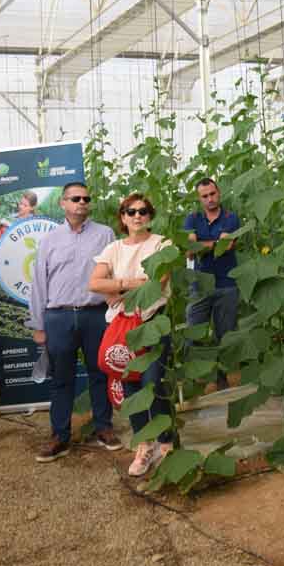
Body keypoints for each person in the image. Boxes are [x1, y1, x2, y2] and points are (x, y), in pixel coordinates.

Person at [28, 182, 119, 462]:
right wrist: (38, 325)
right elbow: (39, 284)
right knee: (61, 378)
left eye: (86, 198)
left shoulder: (105, 235)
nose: (81, 202)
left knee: (100, 372)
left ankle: (104, 428)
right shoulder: (49, 240)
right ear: (63, 204)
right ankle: (60, 436)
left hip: (95, 314)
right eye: (75, 198)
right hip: (59, 316)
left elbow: (114, 274)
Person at [89, 194, 174, 477]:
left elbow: (155, 284)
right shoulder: (113, 249)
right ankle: (144, 444)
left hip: (152, 322)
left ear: (150, 216)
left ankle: (166, 441)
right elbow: (94, 283)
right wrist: (127, 283)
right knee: (130, 387)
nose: (137, 216)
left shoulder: (162, 244)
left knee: (153, 382)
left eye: (143, 211)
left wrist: (116, 291)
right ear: (123, 218)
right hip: (123, 326)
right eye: (131, 211)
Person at [183, 178, 240, 390]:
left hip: (226, 283)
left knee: (225, 335)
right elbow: (189, 249)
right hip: (199, 285)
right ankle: (195, 380)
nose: (210, 199)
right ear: (199, 199)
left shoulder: (230, 217)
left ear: (219, 193)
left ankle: (221, 378)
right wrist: (214, 244)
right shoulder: (192, 219)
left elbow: (225, 247)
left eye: (213, 194)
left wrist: (201, 244)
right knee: (193, 332)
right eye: (205, 196)